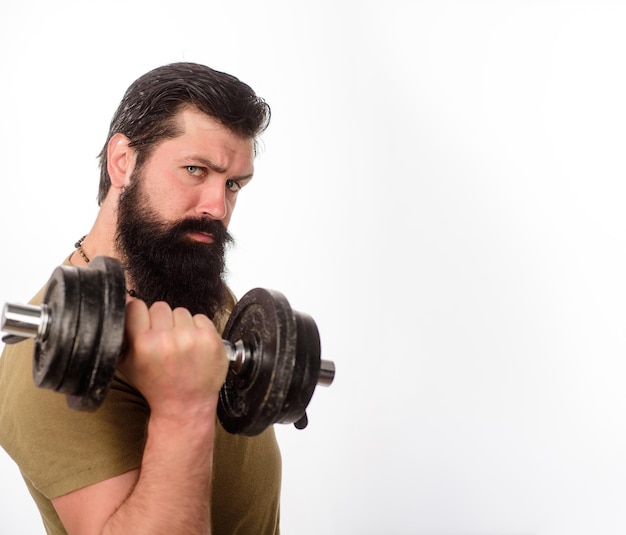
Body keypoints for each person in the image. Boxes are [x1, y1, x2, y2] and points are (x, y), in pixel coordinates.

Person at [0, 62, 281, 535]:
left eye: (233, 184)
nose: (217, 207)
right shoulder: (44, 367)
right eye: (196, 170)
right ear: (123, 162)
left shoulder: (184, 272)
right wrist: (183, 407)